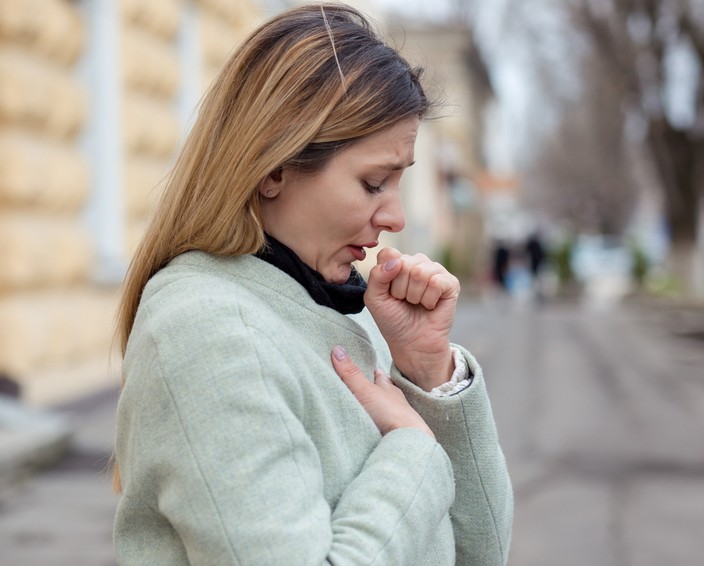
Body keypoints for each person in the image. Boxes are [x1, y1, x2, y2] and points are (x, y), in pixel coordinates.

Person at [112, 4, 513, 565]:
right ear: (274, 167)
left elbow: (481, 553)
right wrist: (414, 450)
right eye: (374, 182)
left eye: (399, 182)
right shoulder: (206, 333)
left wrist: (429, 374)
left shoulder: (335, 310)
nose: (395, 217)